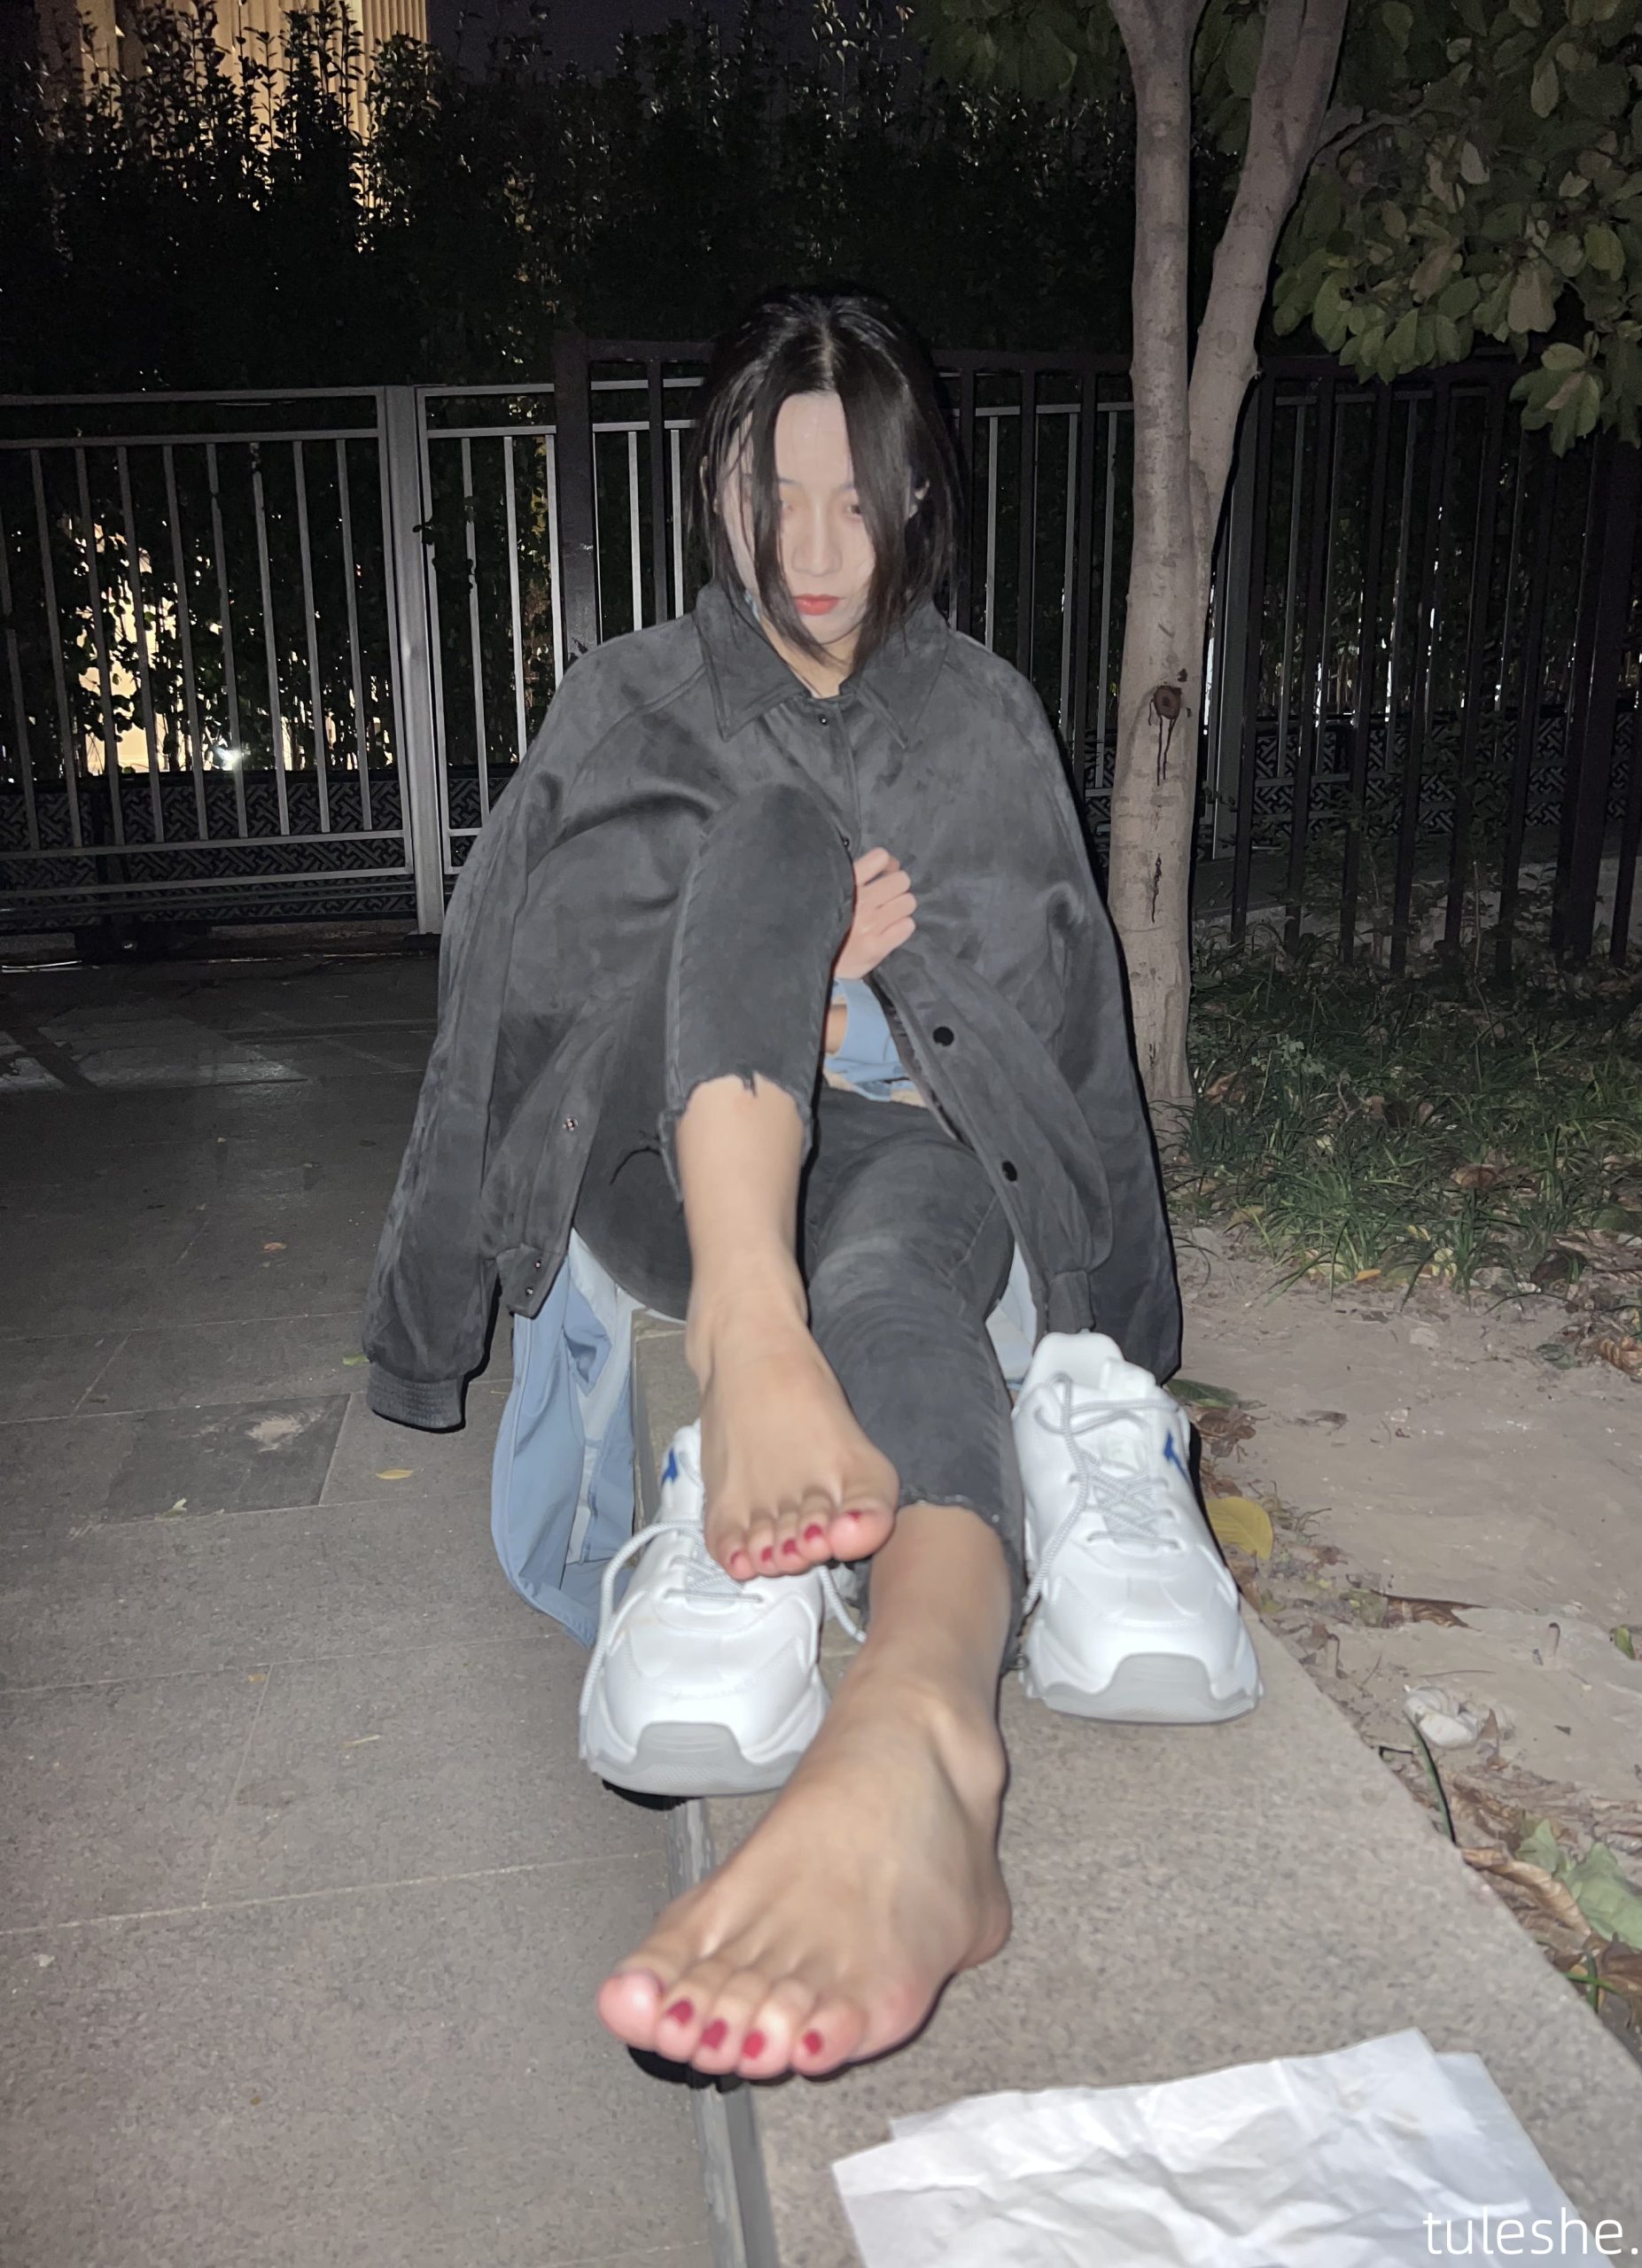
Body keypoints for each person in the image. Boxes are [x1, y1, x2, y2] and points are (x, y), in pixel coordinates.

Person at [362, 283, 1215, 2088]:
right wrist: (787, 970)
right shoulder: (630, 703)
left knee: (898, 1271)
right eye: (776, 497)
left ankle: (923, 1722)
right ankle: (754, 1347)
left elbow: (1073, 1036)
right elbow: (504, 998)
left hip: (913, 1158)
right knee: (765, 846)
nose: (815, 554)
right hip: (672, 1183)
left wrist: (1123, 1344)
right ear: (718, 491)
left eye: (855, 501)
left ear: (914, 502)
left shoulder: (978, 715)